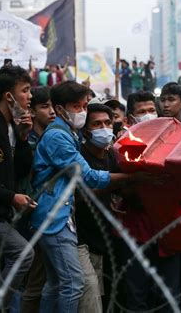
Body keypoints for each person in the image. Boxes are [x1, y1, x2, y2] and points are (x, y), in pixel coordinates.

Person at [30, 80, 149, 312]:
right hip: (54, 217)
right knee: (74, 283)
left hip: (59, 214)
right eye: (77, 107)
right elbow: (87, 176)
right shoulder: (58, 137)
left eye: (84, 106)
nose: (82, 112)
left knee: (55, 285)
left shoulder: (67, 133)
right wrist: (131, 178)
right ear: (59, 108)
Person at [0, 65, 35, 309]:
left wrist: (23, 140)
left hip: (3, 214)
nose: (30, 96)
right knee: (23, 253)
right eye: (25, 90)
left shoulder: (12, 126)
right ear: (8, 96)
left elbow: (20, 171)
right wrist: (12, 197)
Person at [75, 103, 121, 312]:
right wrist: (122, 181)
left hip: (105, 239)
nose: (104, 128)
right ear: (85, 130)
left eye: (107, 123)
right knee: (90, 297)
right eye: (97, 124)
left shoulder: (111, 155)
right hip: (83, 239)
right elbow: (81, 195)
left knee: (106, 295)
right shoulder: (80, 156)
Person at [20, 86, 55, 313]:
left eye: (53, 106)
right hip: (33, 214)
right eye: (45, 107)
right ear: (31, 111)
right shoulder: (27, 139)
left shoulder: (54, 136)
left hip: (52, 216)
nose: (51, 111)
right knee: (35, 280)